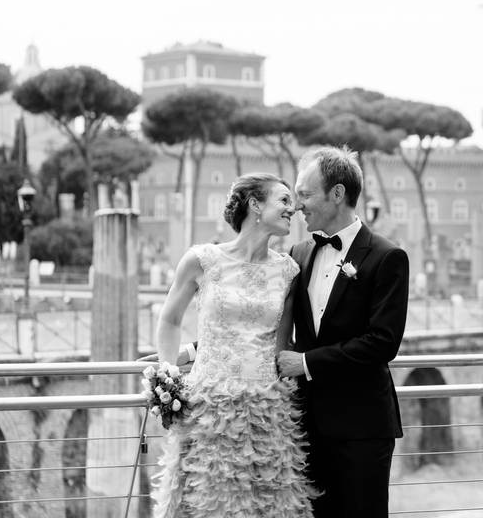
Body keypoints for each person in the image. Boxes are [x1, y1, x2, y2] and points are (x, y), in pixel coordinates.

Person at [151, 173, 315, 517]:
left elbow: (280, 344)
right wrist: (168, 372)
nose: (293, 208)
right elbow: (169, 320)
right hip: (208, 406)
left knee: (267, 506)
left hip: (266, 410)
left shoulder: (289, 271)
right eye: (283, 200)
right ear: (255, 204)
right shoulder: (202, 260)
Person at [277, 145, 409, 517]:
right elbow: (264, 321)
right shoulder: (298, 253)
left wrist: (305, 362)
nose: (297, 205)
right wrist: (193, 351)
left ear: (337, 194)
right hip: (307, 425)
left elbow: (382, 343)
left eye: (304, 194)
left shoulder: (387, 257)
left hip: (362, 428)